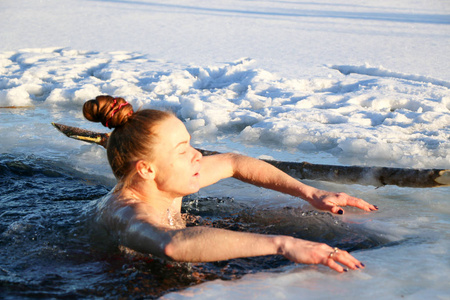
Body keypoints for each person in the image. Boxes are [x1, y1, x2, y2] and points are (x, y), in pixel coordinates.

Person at [83, 95, 378, 273]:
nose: (197, 155)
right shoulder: (126, 213)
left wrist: (311, 192)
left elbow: (233, 163)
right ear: (146, 169)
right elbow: (172, 245)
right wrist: (284, 245)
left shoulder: (167, 183)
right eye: (183, 150)